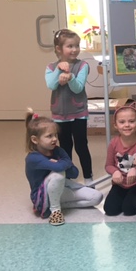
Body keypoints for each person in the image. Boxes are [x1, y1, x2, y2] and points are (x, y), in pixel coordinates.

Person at [24, 109, 103, 225]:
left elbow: (74, 173)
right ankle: (55, 211)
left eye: (55, 135)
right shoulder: (33, 158)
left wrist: (60, 164)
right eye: (49, 136)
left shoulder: (58, 150)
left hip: (61, 188)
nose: (54, 139)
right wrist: (63, 163)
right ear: (35, 140)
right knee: (59, 174)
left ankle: (57, 205)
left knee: (97, 197)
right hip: (42, 196)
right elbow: (60, 168)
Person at [45, 29, 93, 184]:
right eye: (70, 46)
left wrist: (70, 77)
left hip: (79, 113)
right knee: (65, 147)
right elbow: (51, 85)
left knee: (81, 146)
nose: (74, 49)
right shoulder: (51, 67)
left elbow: (78, 88)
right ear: (59, 49)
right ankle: (68, 179)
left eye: (77, 46)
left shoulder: (82, 65)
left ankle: (88, 178)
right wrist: (59, 70)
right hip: (60, 115)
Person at [103, 102, 136, 216]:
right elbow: (108, 165)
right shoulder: (113, 143)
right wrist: (115, 172)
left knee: (128, 210)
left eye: (131, 121)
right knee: (110, 210)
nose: (127, 125)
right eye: (122, 122)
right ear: (115, 125)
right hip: (120, 184)